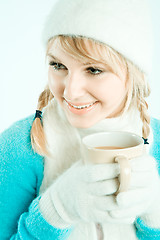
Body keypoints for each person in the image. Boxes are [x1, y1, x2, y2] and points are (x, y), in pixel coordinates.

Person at [0, 0, 160, 239]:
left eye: (93, 70)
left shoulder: (156, 143)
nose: (70, 91)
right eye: (58, 65)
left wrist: (154, 218)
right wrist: (54, 210)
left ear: (134, 73)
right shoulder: (21, 145)